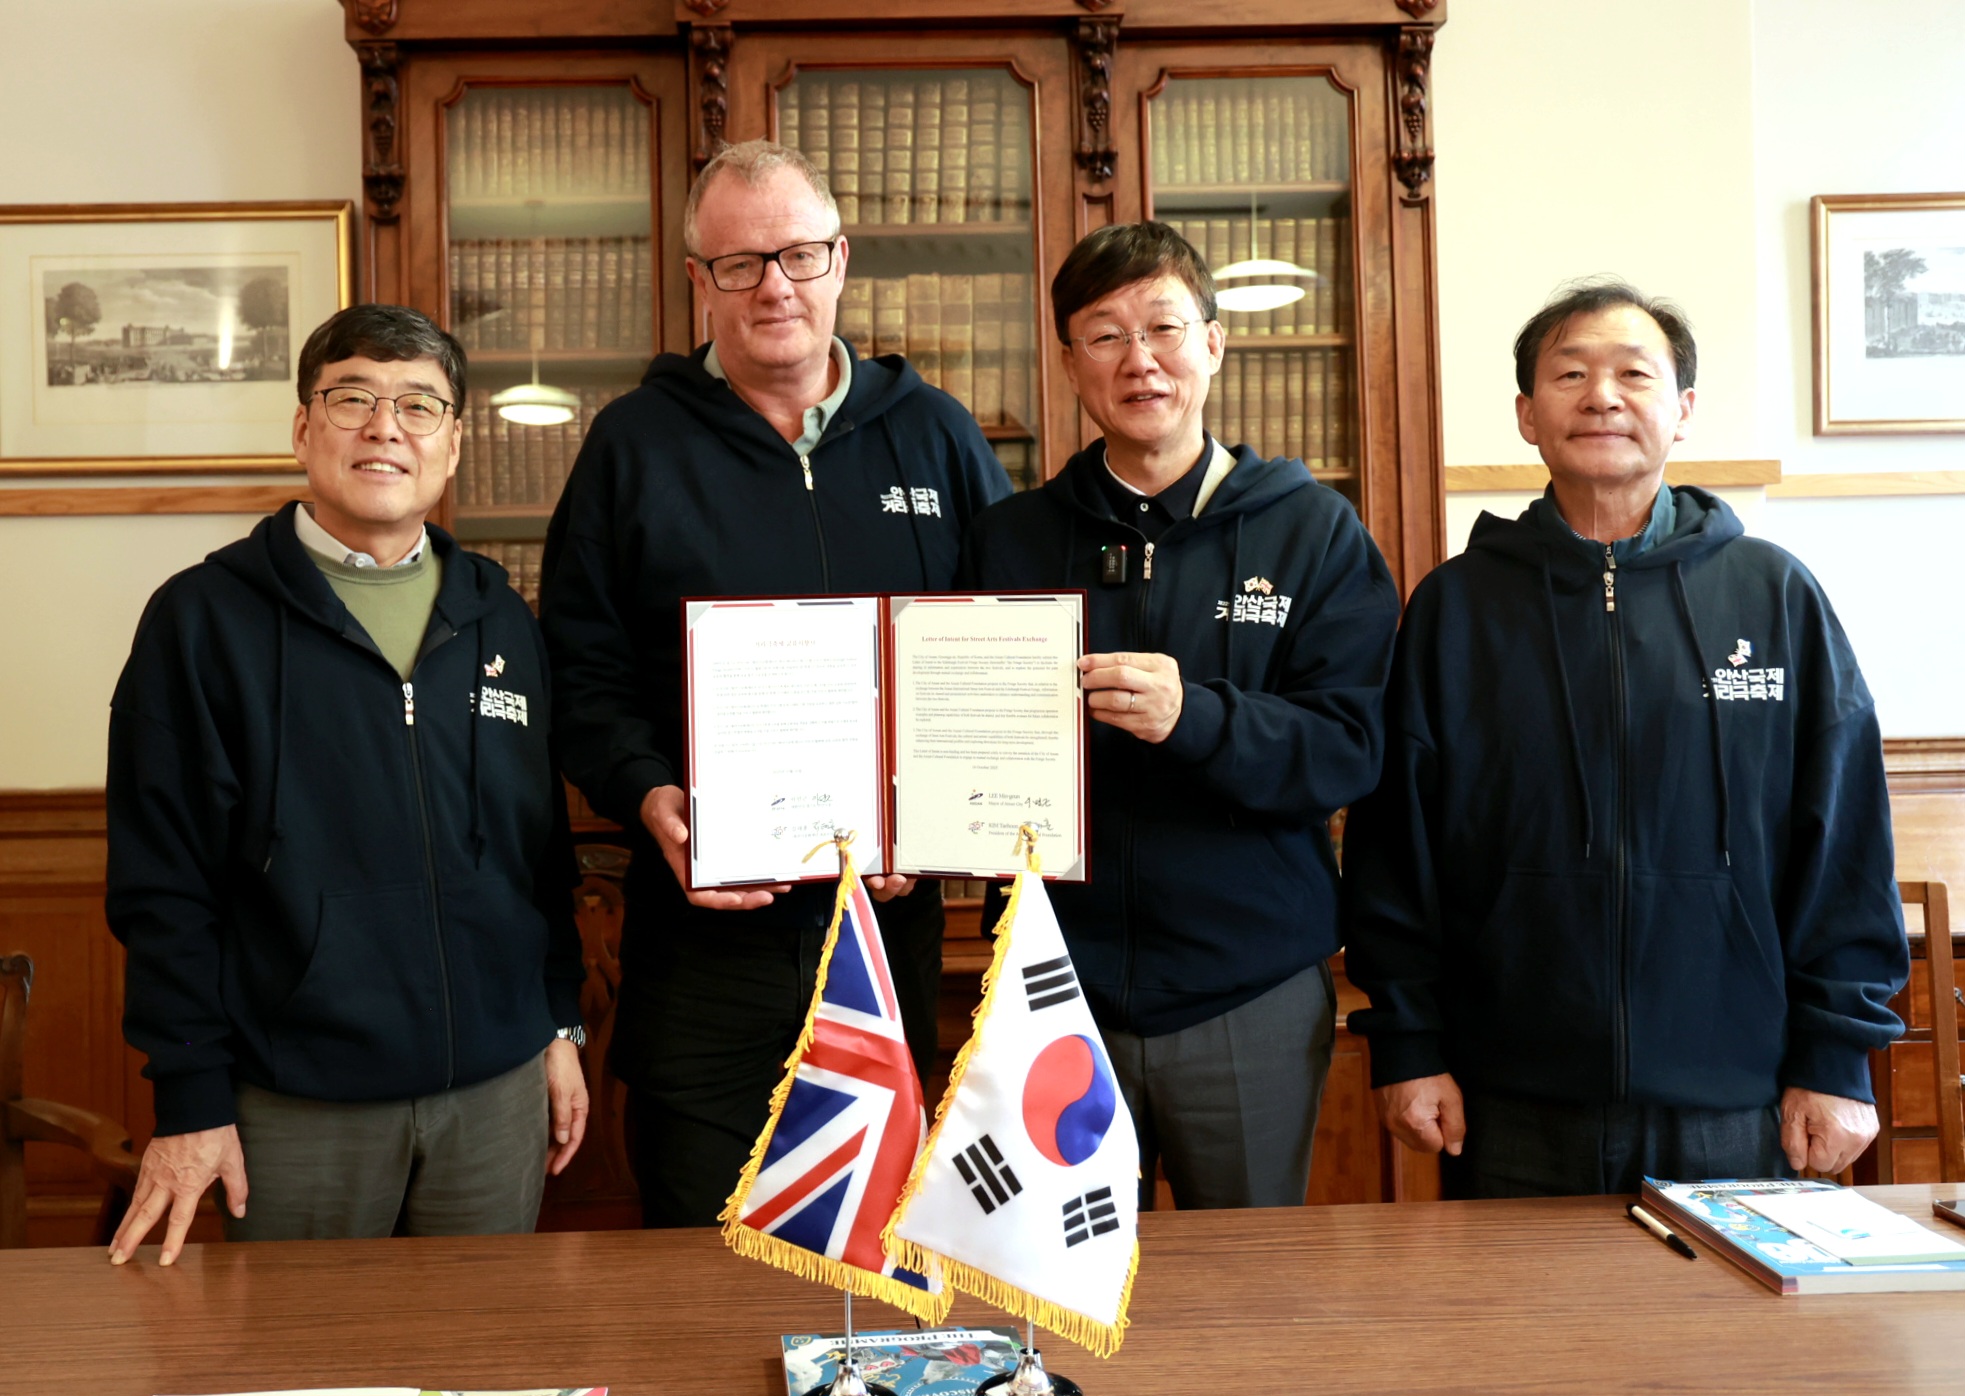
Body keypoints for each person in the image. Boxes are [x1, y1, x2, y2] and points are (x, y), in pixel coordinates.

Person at [1343, 278, 1909, 1197]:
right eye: (1569, 374)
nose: (1601, 395)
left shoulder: (1773, 595)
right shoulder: (1457, 607)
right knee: (1518, 1341)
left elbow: (1842, 839)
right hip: (1507, 1096)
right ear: (1527, 414)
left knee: (1725, 1346)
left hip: (1737, 1095)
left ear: (1681, 411)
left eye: (1631, 374)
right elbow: (1394, 848)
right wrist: (1407, 1043)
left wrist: (1838, 1055)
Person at [539, 140, 1012, 1227]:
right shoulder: (632, 447)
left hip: (885, 945)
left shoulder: (933, 434)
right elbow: (582, 667)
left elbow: (994, 655)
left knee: (881, 1270)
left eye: (798, 255)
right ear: (698, 282)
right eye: (740, 263)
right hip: (701, 947)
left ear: (841, 260)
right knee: (701, 1280)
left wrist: (939, 819)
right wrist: (647, 791)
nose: (774, 287)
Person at [104, 305, 589, 1264]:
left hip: (496, 1094)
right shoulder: (201, 622)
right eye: (353, 398)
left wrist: (558, 1020)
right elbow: (164, 887)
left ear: (452, 442)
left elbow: (541, 851)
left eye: (419, 405)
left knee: (478, 1367)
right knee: (300, 1369)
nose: (384, 428)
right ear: (302, 427)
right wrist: (191, 1098)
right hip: (294, 1104)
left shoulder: (500, 615)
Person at [958, 221, 1402, 1209]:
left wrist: (1194, 717)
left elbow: (1351, 747)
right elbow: (960, 737)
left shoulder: (1313, 530)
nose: (1140, 359)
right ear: (1071, 363)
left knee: (1246, 1303)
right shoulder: (1015, 538)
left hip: (1247, 984)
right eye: (1106, 335)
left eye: (1163, 326)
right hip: (1052, 991)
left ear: (1212, 344)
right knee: (1054, 1295)